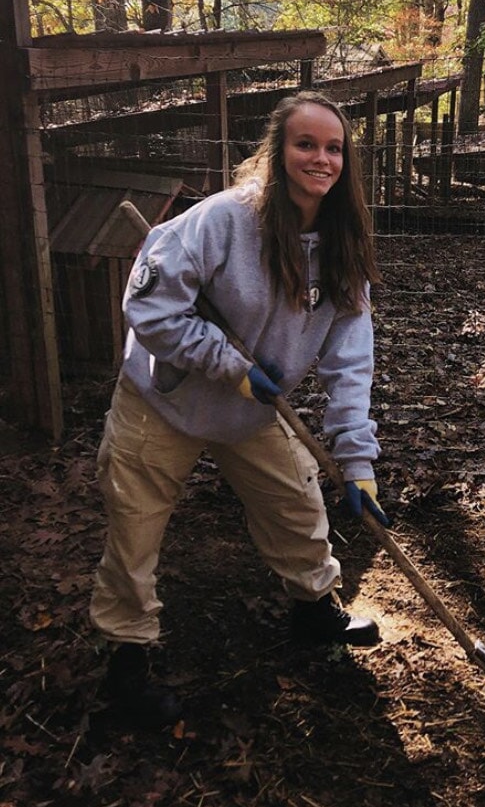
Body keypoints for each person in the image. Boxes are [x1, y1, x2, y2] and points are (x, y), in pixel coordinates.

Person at [90, 90, 389, 728]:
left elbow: (349, 363)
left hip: (252, 412)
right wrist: (231, 367)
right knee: (135, 528)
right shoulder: (221, 221)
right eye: (305, 144)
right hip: (162, 401)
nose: (321, 158)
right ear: (278, 153)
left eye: (333, 147)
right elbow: (150, 309)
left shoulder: (343, 245)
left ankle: (313, 610)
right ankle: (127, 659)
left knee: (297, 502)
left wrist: (357, 461)